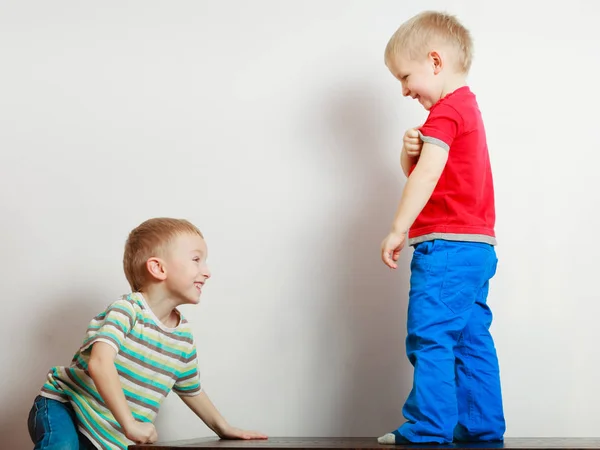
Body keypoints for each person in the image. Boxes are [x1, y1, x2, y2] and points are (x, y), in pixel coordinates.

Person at [28, 217, 268, 450]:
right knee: (62, 446)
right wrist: (130, 424)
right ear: (158, 268)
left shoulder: (182, 337)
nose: (207, 272)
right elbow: (100, 363)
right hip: (65, 407)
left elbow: (191, 389)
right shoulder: (128, 311)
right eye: (196, 259)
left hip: (106, 438)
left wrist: (223, 428)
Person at [378, 11, 505, 444]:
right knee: (471, 339)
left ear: (435, 61)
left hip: (447, 248)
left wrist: (398, 229)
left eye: (405, 76)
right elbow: (431, 170)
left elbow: (427, 176)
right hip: (476, 248)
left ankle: (427, 427)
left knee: (430, 334)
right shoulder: (466, 107)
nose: (404, 89)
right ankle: (481, 426)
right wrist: (407, 152)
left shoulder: (446, 113)